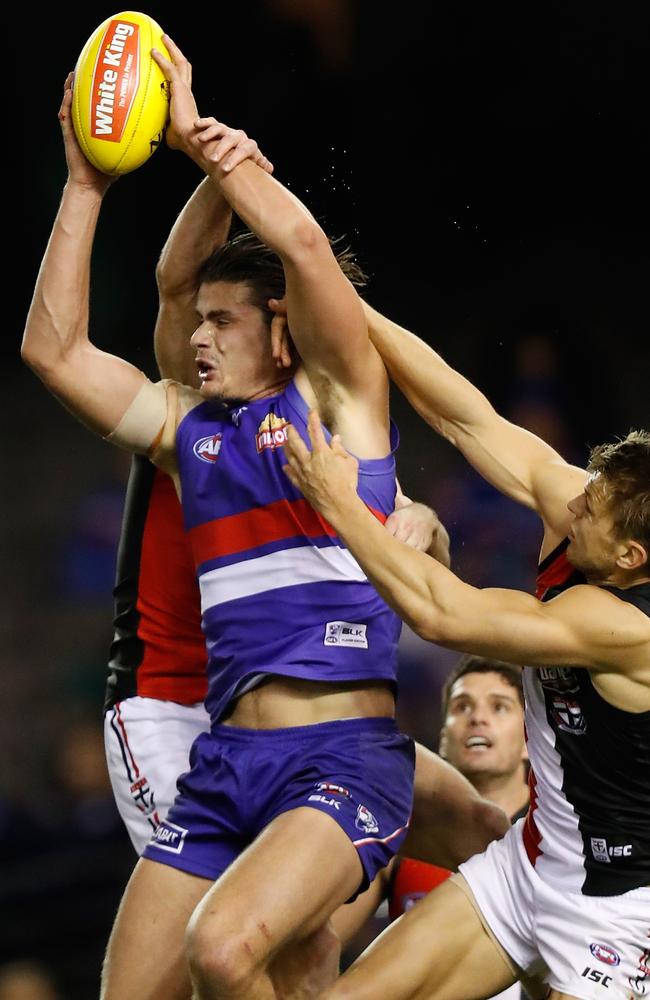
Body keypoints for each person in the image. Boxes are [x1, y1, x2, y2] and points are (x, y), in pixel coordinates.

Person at [21, 38, 507, 1000]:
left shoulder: (341, 406)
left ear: (283, 329)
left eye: (222, 323)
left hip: (342, 756)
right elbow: (54, 350)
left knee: (226, 952)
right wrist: (83, 184)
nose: (196, 339)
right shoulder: (189, 436)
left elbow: (307, 249)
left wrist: (211, 150)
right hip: (225, 760)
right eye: (195, 323)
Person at [283, 326, 649, 998]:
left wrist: (335, 501)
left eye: (589, 510)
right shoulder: (595, 519)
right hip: (530, 863)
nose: (571, 504)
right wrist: (344, 301)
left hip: (618, 906)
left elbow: (442, 614)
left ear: (631, 559)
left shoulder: (629, 629)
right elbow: (463, 414)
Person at [332, 656, 532, 1000]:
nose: (477, 718)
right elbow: (324, 939)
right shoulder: (397, 842)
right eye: (462, 706)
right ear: (443, 738)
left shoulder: (551, 838)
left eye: (499, 708)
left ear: (531, 739)